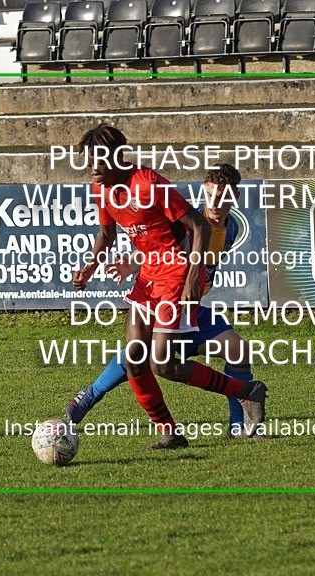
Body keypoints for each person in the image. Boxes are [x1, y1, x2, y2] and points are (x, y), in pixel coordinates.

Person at [71, 125, 267, 450]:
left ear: (118, 157)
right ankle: (170, 432)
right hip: (148, 276)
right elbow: (107, 234)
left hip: (176, 273)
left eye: (99, 160)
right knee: (135, 357)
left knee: (162, 363)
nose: (93, 168)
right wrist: (90, 266)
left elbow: (198, 224)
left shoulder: (148, 183)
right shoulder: (102, 190)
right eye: (89, 161)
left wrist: (193, 276)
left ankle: (246, 391)